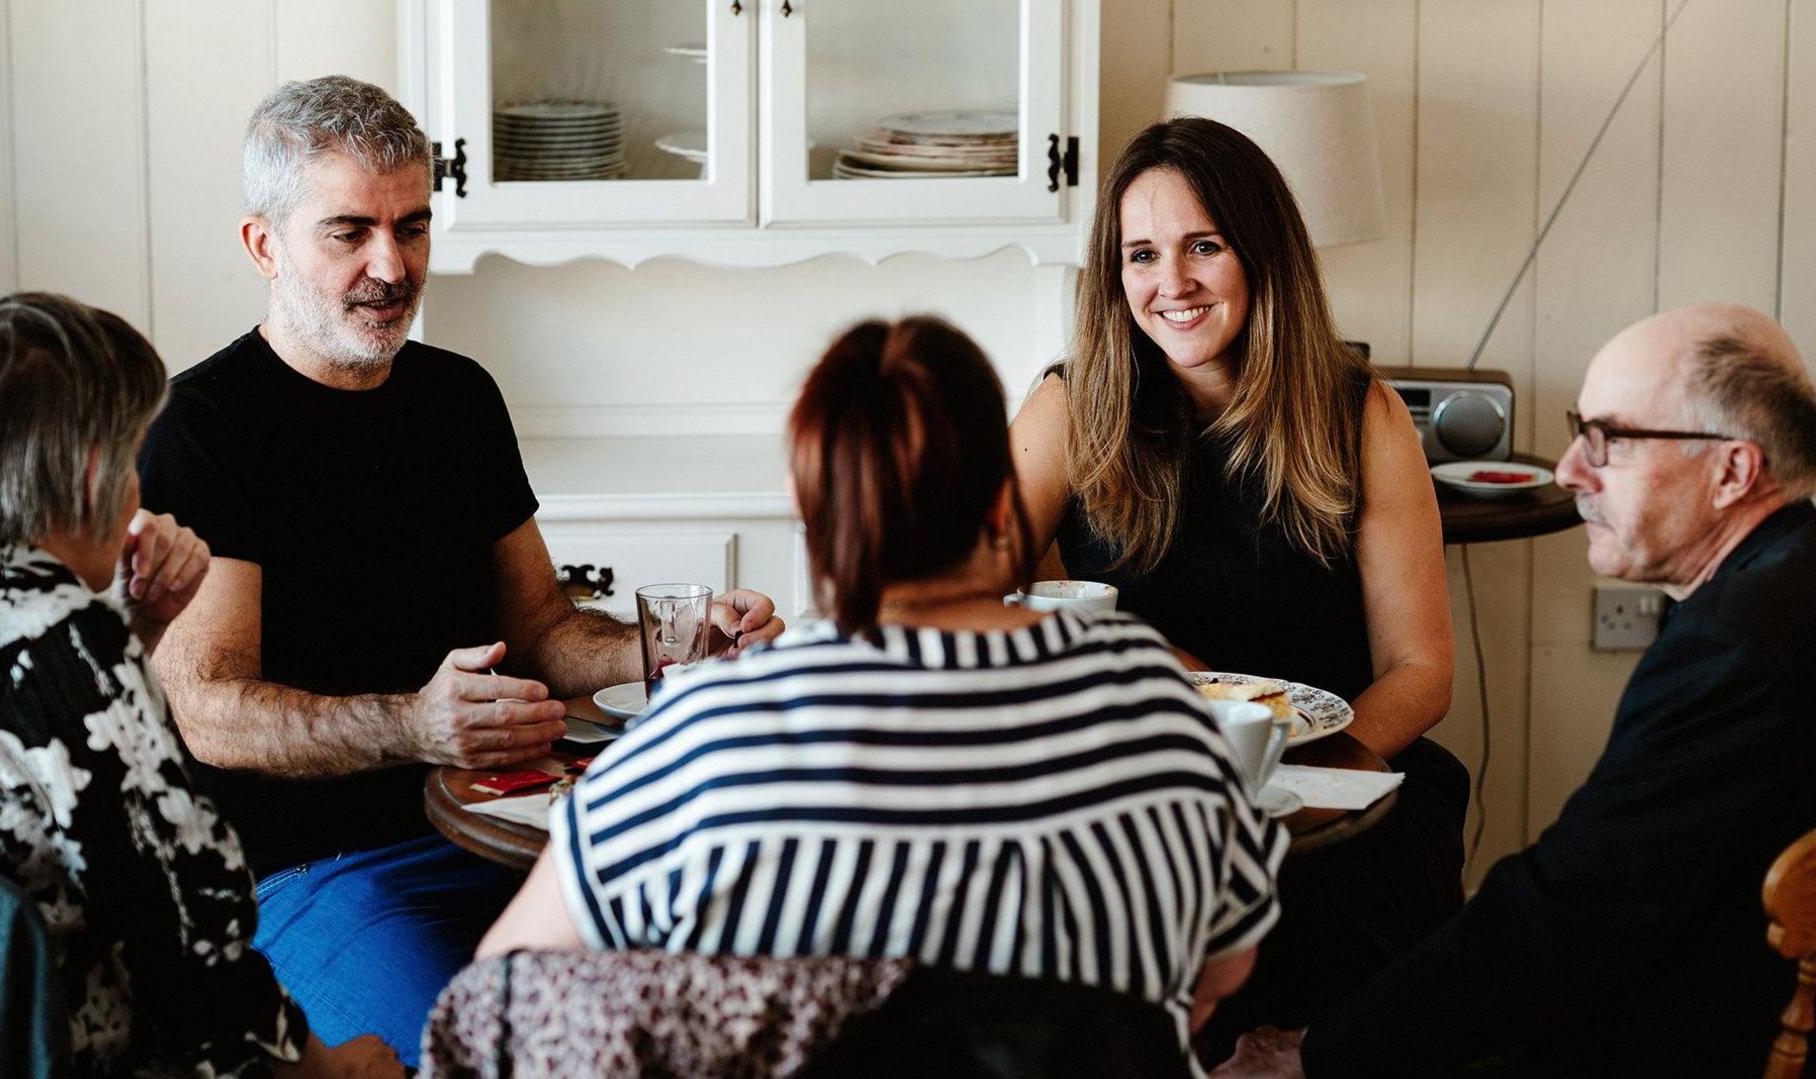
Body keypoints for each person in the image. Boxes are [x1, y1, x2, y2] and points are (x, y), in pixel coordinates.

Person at [135, 76, 783, 1064]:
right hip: (314, 871)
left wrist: (679, 647)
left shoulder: (460, 397)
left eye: (413, 227)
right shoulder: (205, 426)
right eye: (348, 232)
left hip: (511, 832)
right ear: (264, 245)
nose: (390, 265)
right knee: (480, 1053)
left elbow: (546, 630)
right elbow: (210, 709)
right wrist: (412, 722)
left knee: (716, 1018)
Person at [476, 316, 1289, 1074]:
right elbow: (1225, 969)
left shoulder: (704, 736)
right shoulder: (1157, 704)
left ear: (814, 519)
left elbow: (495, 1007)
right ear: (1004, 505)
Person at [1217, 303, 1816, 1077]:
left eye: (1609, 439)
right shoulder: (1783, 582)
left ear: (1733, 470)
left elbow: (1574, 912)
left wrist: (1320, 1052)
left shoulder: (1737, 641)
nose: (1569, 469)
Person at [1009, 116, 1466, 1033]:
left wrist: (1284, 777)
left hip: (1333, 790)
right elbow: (956, 586)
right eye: (1141, 254)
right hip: (1143, 791)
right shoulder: (1072, 403)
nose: (1169, 283)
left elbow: (1422, 669)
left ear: (1262, 255)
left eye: (1203, 246)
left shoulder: (1360, 412)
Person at [0, 293, 397, 1076]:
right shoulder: (65, 655)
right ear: (96, 473)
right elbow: (194, 944)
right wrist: (329, 1069)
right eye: (132, 457)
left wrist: (134, 635)